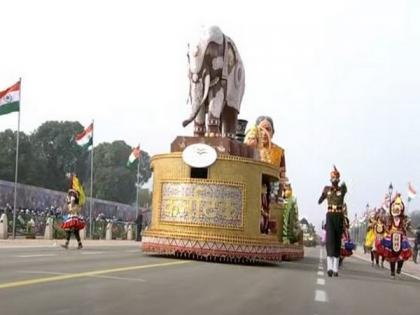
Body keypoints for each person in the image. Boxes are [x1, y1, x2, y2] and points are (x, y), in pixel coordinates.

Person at [318, 166, 347, 277]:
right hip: (330, 216)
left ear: (338, 179)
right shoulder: (327, 189)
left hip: (339, 216)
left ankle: (336, 269)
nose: (334, 179)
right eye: (332, 177)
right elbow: (320, 200)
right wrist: (322, 197)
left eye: (336, 177)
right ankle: (329, 268)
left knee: (337, 242)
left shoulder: (342, 189)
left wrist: (342, 183)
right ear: (330, 179)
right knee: (330, 240)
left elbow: (345, 187)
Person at [381, 195, 412, 279]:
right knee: (392, 256)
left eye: (398, 210)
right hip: (392, 237)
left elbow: (408, 227)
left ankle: (399, 268)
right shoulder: (390, 219)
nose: (396, 211)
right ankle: (392, 272)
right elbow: (387, 228)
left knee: (402, 254)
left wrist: (407, 226)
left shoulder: (403, 220)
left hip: (401, 238)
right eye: (395, 210)